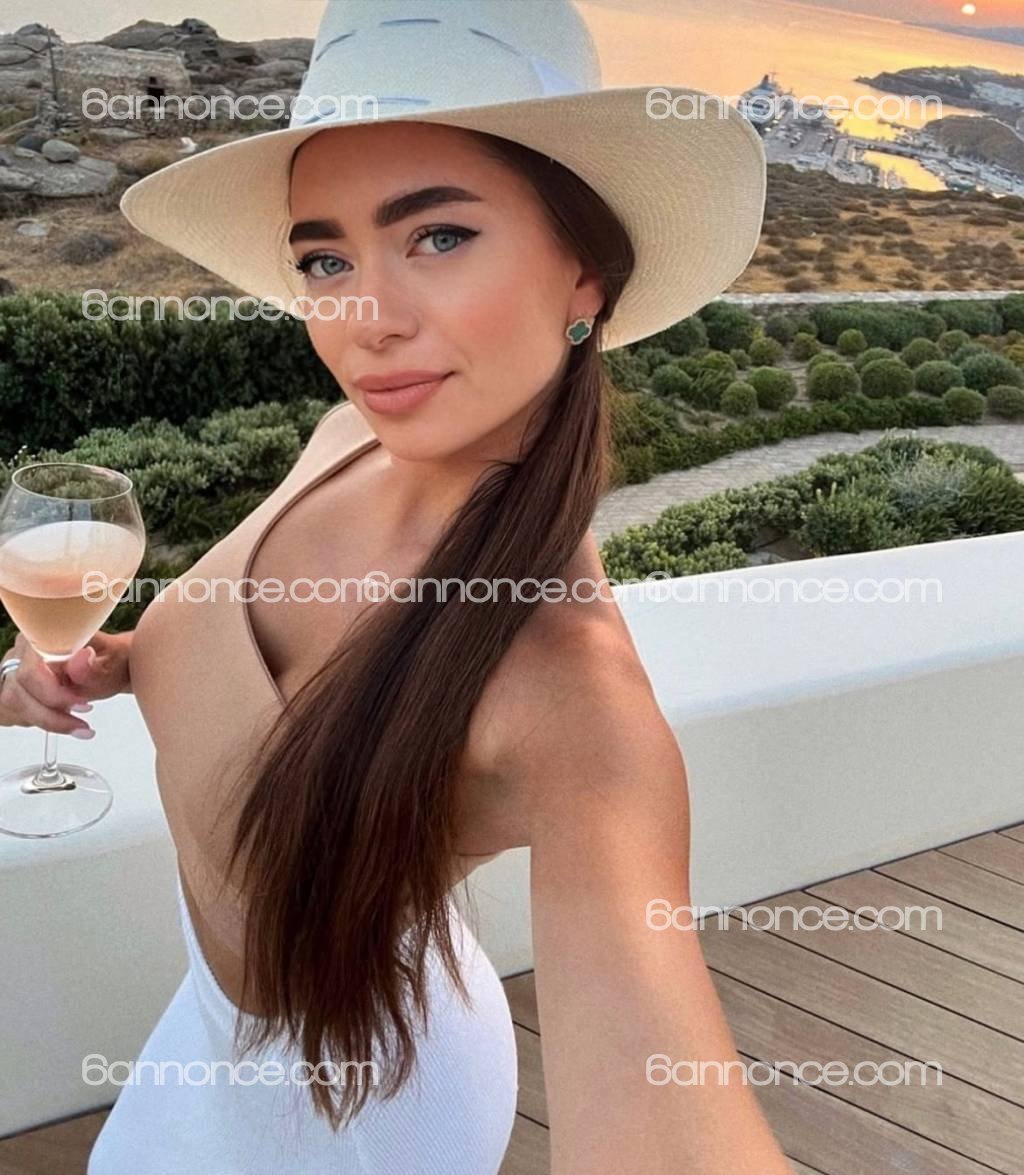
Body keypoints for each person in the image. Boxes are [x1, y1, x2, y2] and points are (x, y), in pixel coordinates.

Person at [0, 1, 792, 1171]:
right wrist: (115, 662)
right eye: (326, 259)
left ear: (586, 277)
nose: (362, 322)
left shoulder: (573, 701)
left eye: (438, 236)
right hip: (207, 1034)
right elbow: (262, 675)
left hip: (353, 1114)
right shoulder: (345, 440)